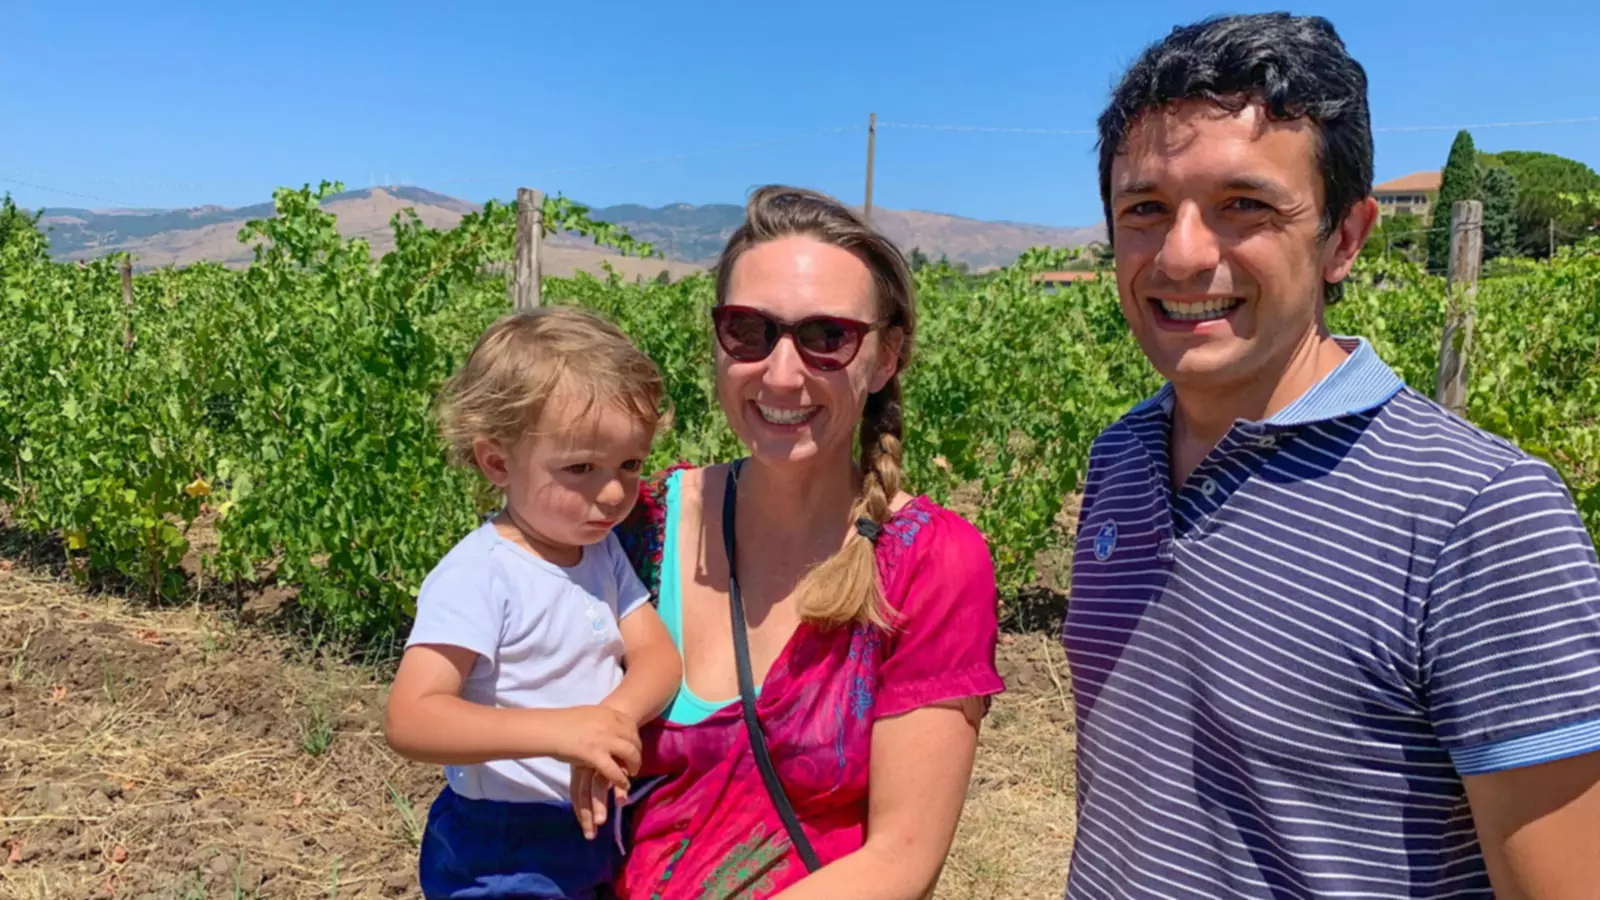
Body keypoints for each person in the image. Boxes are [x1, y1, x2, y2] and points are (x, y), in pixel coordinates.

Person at [1062, 12, 1600, 899]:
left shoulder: (1481, 515)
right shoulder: (1119, 458)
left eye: (1246, 206)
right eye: (1146, 209)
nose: (1184, 254)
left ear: (1345, 239)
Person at [611, 185, 1006, 899]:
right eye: (749, 331)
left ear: (886, 357)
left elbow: (900, 858)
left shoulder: (928, 561)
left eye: (828, 338)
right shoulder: (639, 526)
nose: (782, 373)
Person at [384, 307, 683, 900]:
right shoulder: (481, 575)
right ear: (497, 461)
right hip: (502, 843)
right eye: (581, 469)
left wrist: (613, 720)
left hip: (591, 825)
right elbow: (411, 717)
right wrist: (563, 732)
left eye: (630, 464)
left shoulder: (596, 553)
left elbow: (658, 657)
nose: (617, 492)